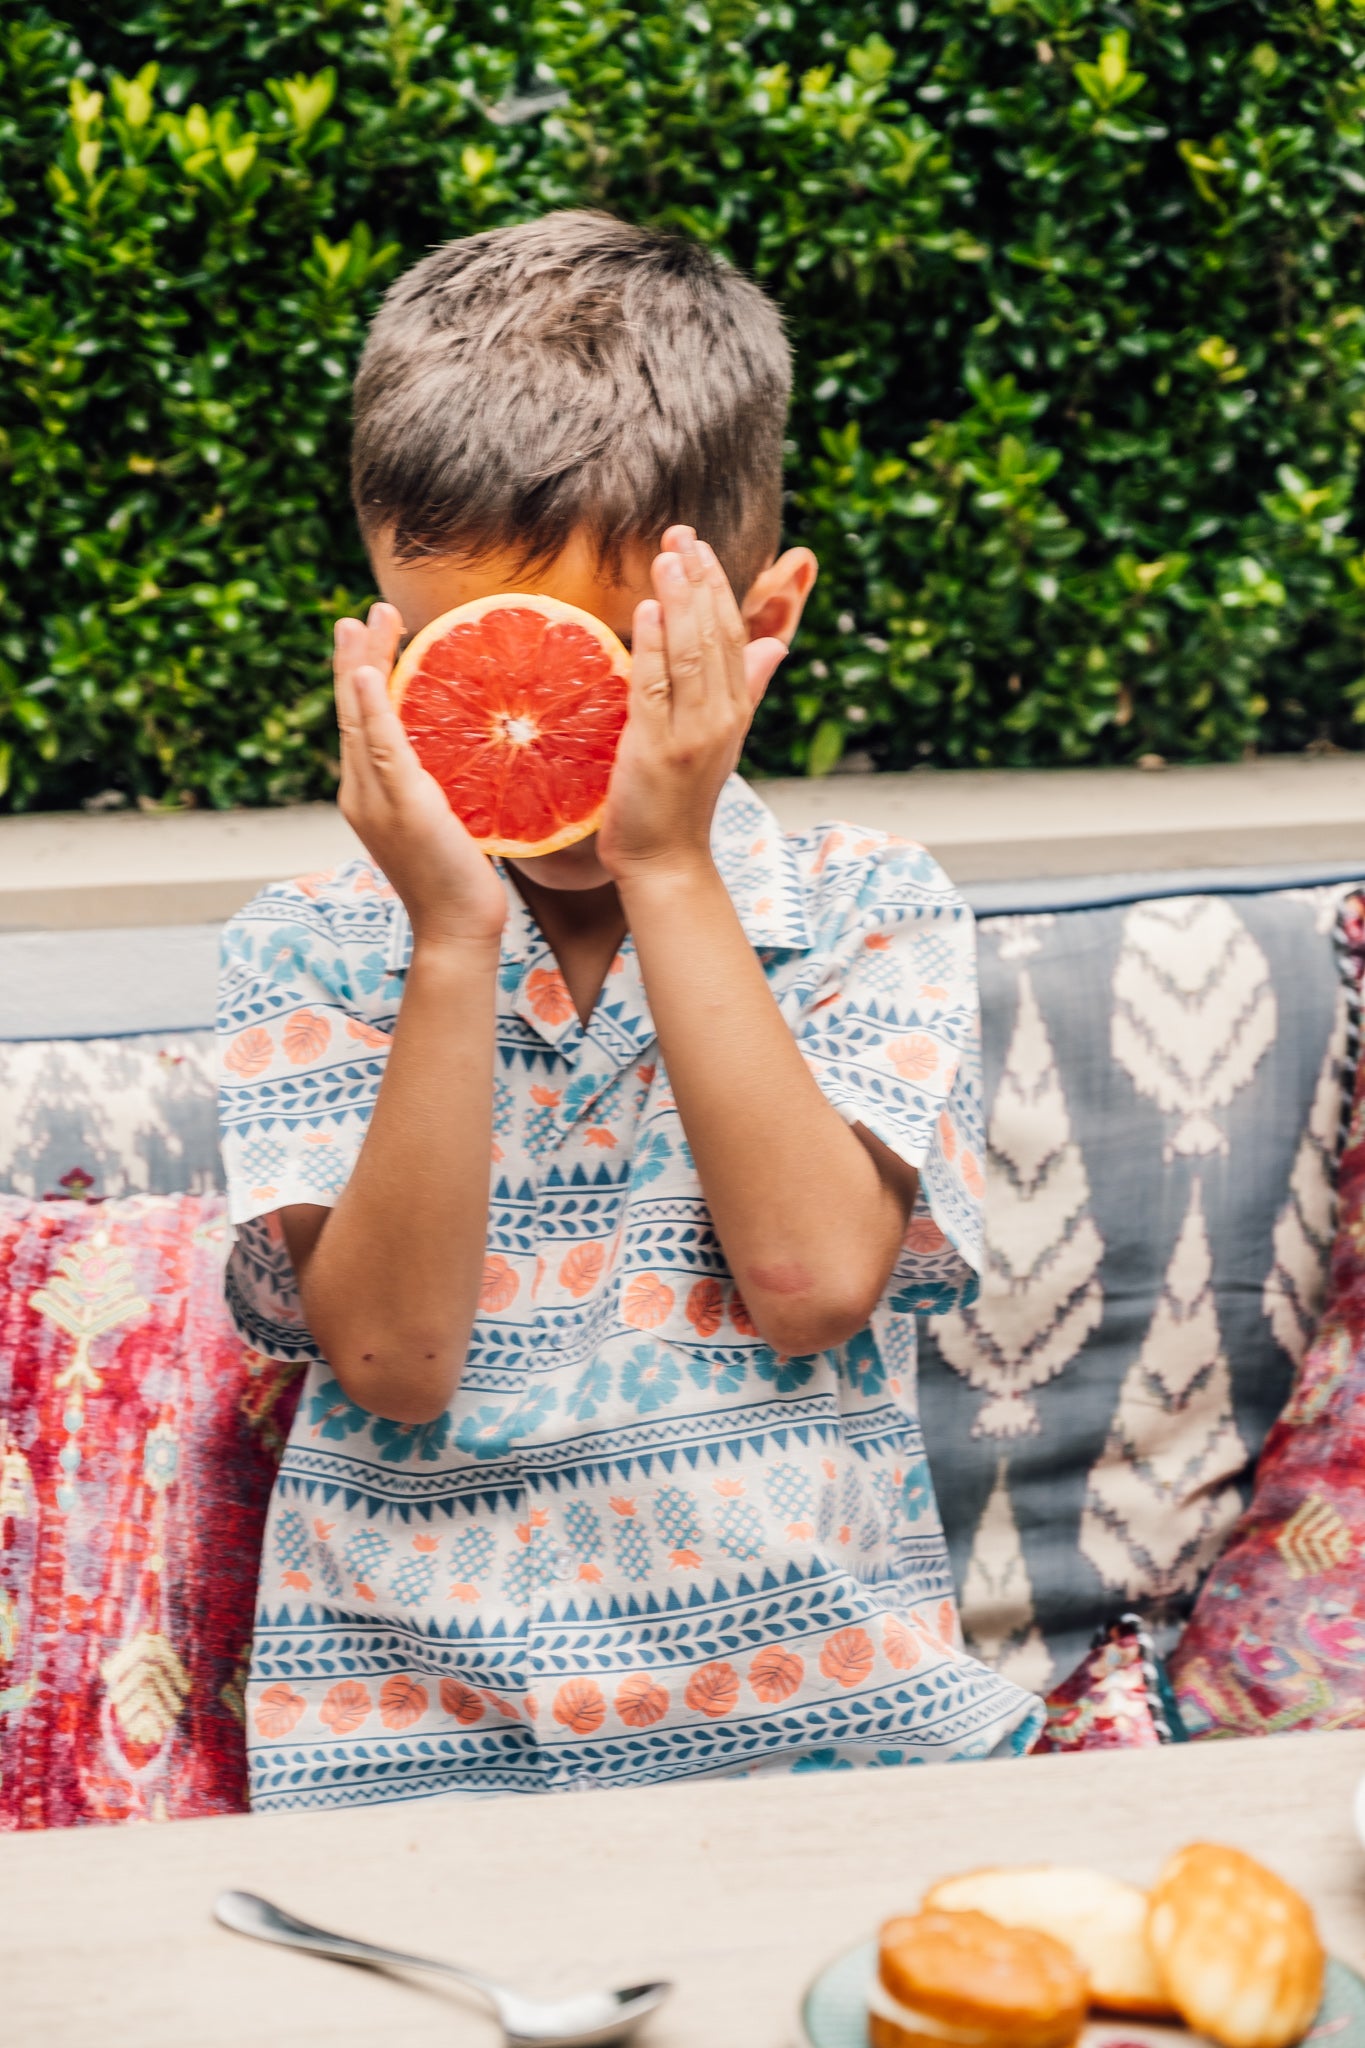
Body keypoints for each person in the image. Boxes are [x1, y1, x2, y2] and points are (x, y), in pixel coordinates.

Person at [219, 210, 1043, 1812]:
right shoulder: (311, 947)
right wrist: (449, 941)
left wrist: (670, 870)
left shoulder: (871, 908)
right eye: (485, 661)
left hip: (829, 1754)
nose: (542, 725)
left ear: (761, 628)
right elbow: (389, 1356)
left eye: (615, 666)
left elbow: (809, 1281)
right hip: (409, 1769)